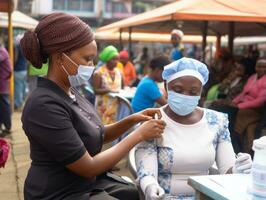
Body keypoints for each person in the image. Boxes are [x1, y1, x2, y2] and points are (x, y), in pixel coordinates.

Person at [20, 12, 166, 200]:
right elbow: (88, 167)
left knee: (134, 192)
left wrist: (133, 120)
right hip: (59, 192)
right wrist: (139, 135)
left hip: (83, 185)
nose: (92, 65)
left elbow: (97, 134)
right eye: (87, 59)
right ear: (60, 58)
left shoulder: (70, 91)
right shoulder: (43, 105)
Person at [135, 57, 252, 200]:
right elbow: (147, 172)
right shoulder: (153, 121)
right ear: (166, 86)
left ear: (201, 91)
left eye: (193, 91)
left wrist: (237, 169)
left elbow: (226, 172)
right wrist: (150, 187)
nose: (185, 96)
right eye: (178, 89)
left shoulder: (216, 122)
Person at [92, 45, 123, 124]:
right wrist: (109, 90)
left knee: (114, 129)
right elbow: (95, 90)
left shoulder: (119, 72)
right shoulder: (98, 73)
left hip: (115, 106)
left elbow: (122, 87)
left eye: (117, 59)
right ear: (107, 60)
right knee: (102, 129)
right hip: (103, 107)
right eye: (113, 59)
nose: (116, 62)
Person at [0, 37, 12, 136]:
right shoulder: (3, 51)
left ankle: (8, 127)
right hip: (3, 83)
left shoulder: (2, 52)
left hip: (2, 84)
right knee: (3, 106)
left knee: (4, 106)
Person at [14, 34, 28, 110]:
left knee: (18, 88)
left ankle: (19, 104)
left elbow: (15, 58)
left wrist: (13, 64)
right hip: (24, 69)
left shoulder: (17, 47)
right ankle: (23, 101)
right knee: (23, 86)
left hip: (18, 70)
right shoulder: (25, 47)